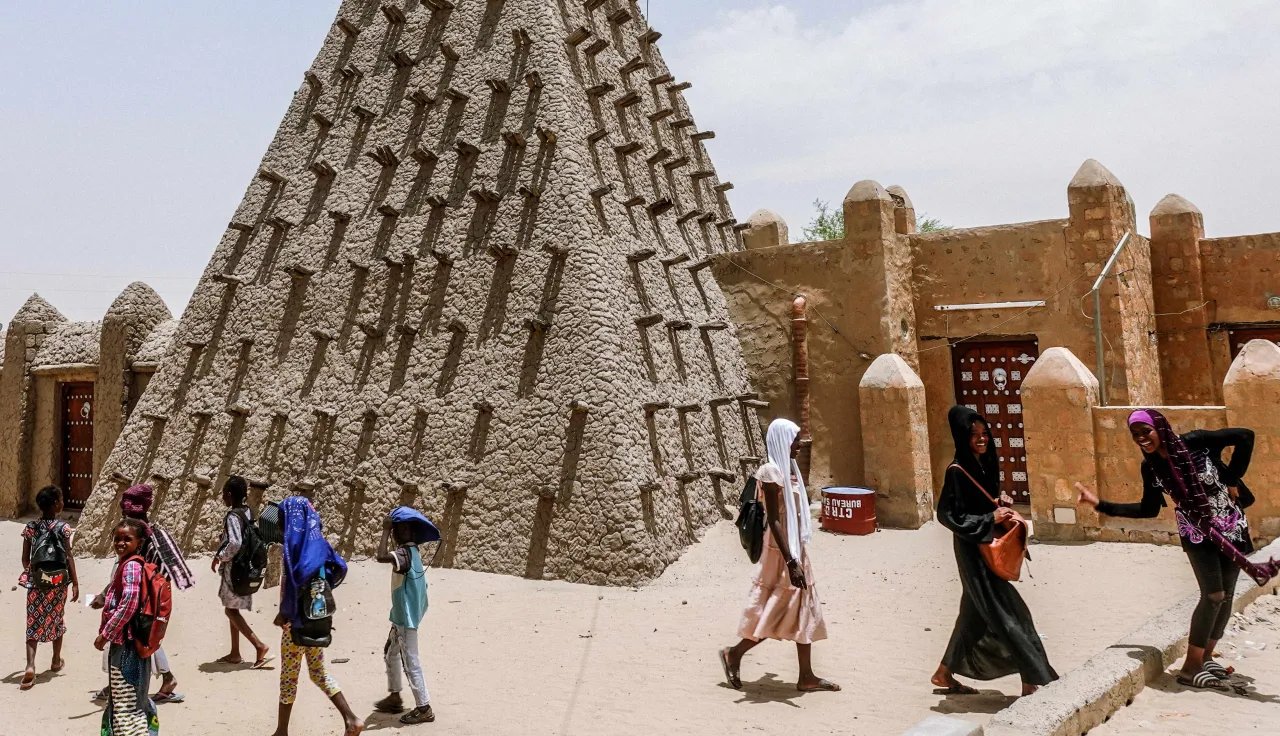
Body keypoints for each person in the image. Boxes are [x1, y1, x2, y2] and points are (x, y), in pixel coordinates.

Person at [1078, 410, 1280, 691]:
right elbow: (1148, 509)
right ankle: (1190, 667)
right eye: (1135, 434)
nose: (1141, 439)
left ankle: (1206, 658)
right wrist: (1100, 504)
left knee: (1228, 595)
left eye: (1145, 432)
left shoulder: (1196, 442)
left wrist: (1232, 478)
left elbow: (1246, 436)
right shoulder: (1151, 467)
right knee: (1213, 595)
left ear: (1159, 427)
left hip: (1231, 524)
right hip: (1197, 534)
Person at [932, 406, 1057, 697]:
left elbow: (981, 502)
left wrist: (998, 501)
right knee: (1010, 613)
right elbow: (946, 515)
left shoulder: (985, 463)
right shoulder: (957, 471)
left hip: (989, 545)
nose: (981, 439)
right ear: (962, 437)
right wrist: (989, 519)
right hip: (974, 551)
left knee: (973, 615)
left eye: (984, 433)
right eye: (973, 434)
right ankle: (1031, 679)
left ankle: (944, 673)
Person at [720, 418, 840, 693]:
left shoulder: (790, 470)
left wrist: (797, 557)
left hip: (796, 552)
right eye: (795, 439)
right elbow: (774, 520)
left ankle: (806, 676)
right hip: (781, 554)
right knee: (774, 611)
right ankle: (734, 654)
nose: (799, 445)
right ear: (782, 441)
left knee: (802, 609)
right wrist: (790, 562)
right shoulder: (771, 472)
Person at [269, 496, 364, 736]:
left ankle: (281, 731)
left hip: (296, 624)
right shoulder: (318, 544)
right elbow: (339, 566)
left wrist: (284, 614)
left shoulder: (295, 549)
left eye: (282, 520)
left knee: (288, 678)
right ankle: (351, 718)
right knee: (318, 673)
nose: (280, 525)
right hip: (317, 618)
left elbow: (295, 582)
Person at [92, 483, 192, 702]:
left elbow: (130, 580)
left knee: (138, 642)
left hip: (138, 604)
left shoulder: (141, 539)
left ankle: (157, 681)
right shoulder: (149, 534)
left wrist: (106, 600)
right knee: (141, 641)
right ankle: (123, 684)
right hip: (144, 601)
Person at [95, 519, 159, 736]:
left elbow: (129, 603)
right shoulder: (129, 563)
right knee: (128, 700)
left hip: (127, 647)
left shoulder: (131, 565)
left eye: (127, 539)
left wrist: (105, 635)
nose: (120, 543)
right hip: (129, 644)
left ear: (139, 542)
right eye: (117, 539)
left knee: (127, 705)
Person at [373, 508, 437, 724]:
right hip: (404, 615)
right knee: (390, 652)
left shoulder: (403, 554)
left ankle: (424, 707)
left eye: (400, 529)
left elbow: (381, 556)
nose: (399, 532)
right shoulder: (414, 552)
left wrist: (384, 530)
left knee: (411, 662)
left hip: (406, 619)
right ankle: (394, 697)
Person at [19, 486, 79, 691]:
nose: (63, 502)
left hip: (37, 582)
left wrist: (34, 575)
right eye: (61, 499)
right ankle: (55, 660)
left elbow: (25, 559)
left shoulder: (31, 527)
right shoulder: (64, 528)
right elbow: (68, 556)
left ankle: (29, 665)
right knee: (57, 617)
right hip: (58, 583)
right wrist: (75, 582)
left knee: (33, 621)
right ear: (56, 504)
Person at [212, 475, 271, 668]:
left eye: (223, 494)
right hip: (245, 566)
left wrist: (219, 556)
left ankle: (259, 645)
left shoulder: (232, 516)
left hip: (235, 569)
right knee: (233, 609)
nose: (222, 498)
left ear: (229, 495)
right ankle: (235, 653)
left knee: (230, 611)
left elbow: (235, 542)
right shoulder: (246, 512)